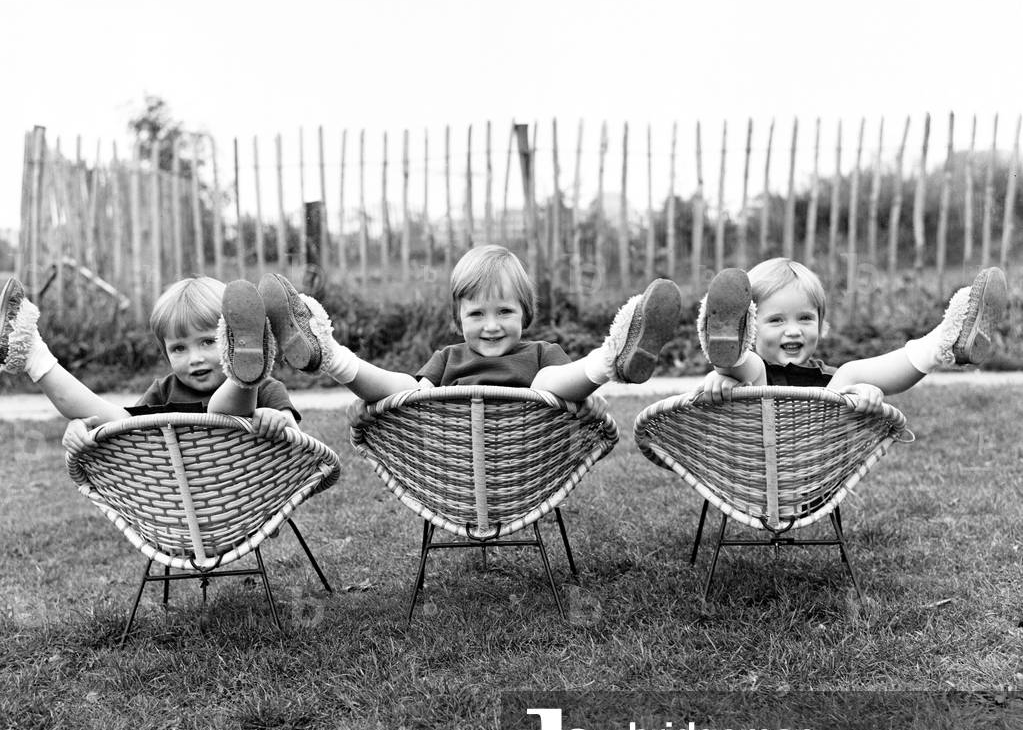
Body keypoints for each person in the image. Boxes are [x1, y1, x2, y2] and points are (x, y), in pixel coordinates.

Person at [219, 244, 685, 403]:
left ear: (527, 315)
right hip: (453, 455)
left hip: (527, 448)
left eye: (505, 312)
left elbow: (568, 401)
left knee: (548, 385)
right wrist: (379, 413)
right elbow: (404, 403)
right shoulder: (448, 359)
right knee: (412, 390)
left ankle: (614, 359)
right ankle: (326, 354)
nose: (491, 326)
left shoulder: (540, 354)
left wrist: (586, 406)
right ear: (456, 319)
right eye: (476, 314)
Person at [0, 275, 301, 451]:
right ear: (165, 352)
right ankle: (32, 356)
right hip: (175, 499)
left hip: (244, 489)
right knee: (119, 418)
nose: (194, 358)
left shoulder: (269, 389)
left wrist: (277, 420)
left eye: (208, 342)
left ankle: (243, 375)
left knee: (221, 413)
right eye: (179, 348)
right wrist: (82, 429)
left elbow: (296, 439)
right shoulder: (164, 390)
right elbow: (123, 433)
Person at [693, 258, 1009, 411]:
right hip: (753, 463)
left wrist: (860, 394)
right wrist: (720, 381)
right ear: (754, 326)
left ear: (821, 323)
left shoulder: (826, 379)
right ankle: (727, 352)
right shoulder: (748, 375)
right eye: (775, 320)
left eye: (805, 318)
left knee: (851, 373)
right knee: (754, 369)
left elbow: (850, 400)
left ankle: (943, 344)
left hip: (812, 464)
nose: (794, 330)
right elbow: (704, 417)